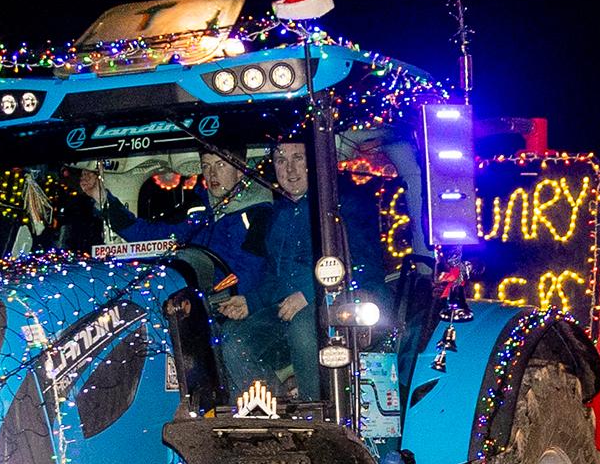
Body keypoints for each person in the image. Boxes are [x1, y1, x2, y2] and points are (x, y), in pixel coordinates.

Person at [80, 152, 277, 390]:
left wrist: (215, 296)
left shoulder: (260, 213)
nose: (212, 174)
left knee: (221, 340)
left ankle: (260, 407)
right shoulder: (202, 212)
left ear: (240, 170)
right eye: (206, 166)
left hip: (248, 305)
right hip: (203, 303)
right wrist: (100, 197)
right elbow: (150, 236)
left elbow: (252, 273)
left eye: (220, 165)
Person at [255, 141, 386, 400]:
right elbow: (273, 276)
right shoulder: (278, 215)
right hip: (288, 309)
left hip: (344, 304)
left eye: (298, 158)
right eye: (281, 160)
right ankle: (265, 411)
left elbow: (363, 265)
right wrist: (249, 301)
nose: (290, 169)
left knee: (304, 329)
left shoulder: (343, 205)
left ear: (315, 163)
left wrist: (308, 292)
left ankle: (315, 413)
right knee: (236, 337)